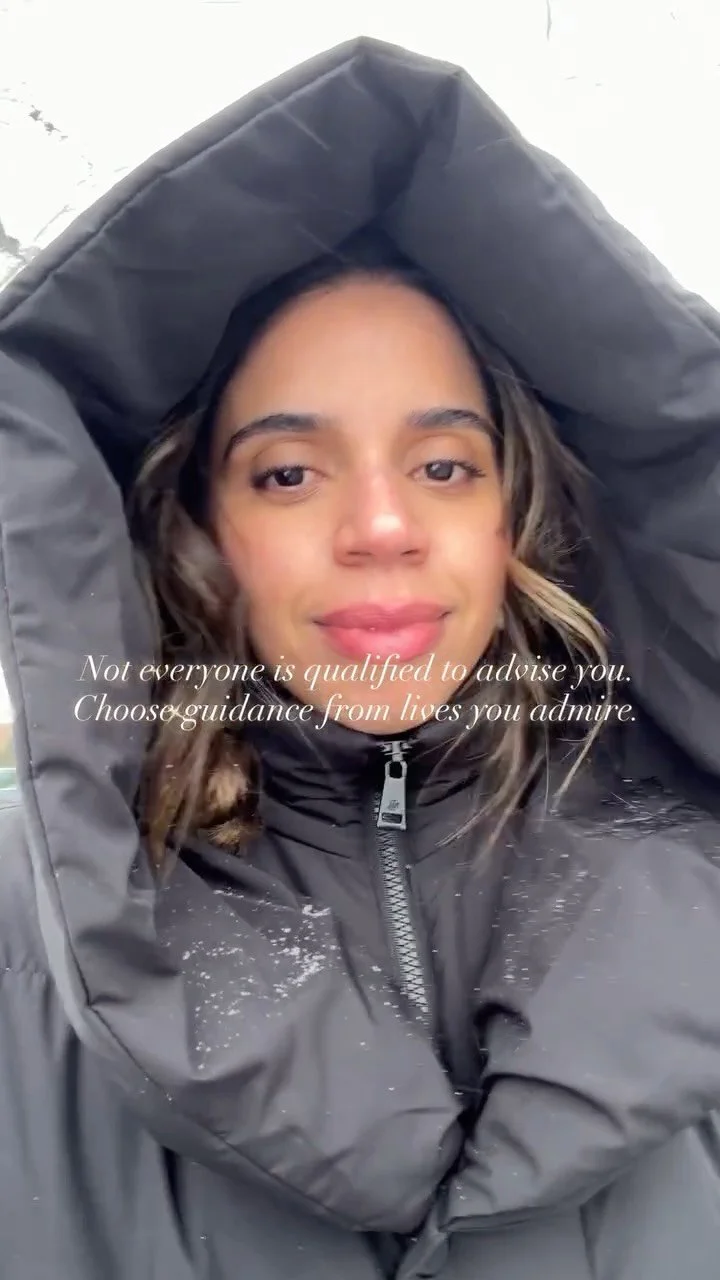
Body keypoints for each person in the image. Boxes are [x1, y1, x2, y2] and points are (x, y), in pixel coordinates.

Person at [0, 34, 719, 1280]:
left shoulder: (694, 887)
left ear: (518, 517)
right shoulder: (28, 926)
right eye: (288, 472)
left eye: (443, 463)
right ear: (195, 529)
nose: (382, 525)